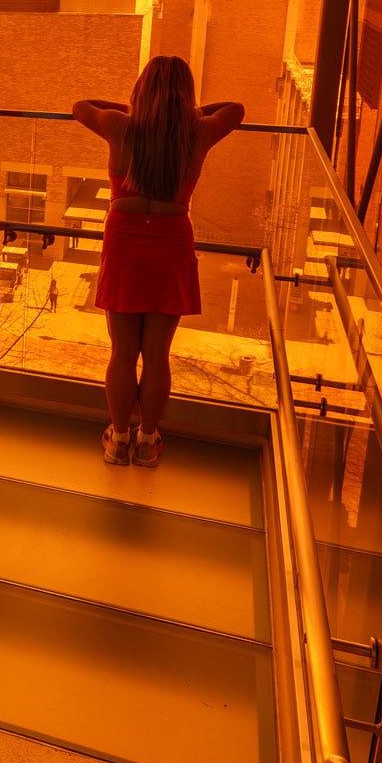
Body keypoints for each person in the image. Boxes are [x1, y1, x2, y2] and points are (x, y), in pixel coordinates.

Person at [72, 57, 244, 468]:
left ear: (141, 92)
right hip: (172, 239)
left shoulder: (121, 127)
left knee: (122, 352)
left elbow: (80, 106)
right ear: (186, 96)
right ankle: (147, 441)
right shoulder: (197, 133)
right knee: (157, 354)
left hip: (124, 238)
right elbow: (235, 110)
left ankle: (117, 440)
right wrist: (182, 114)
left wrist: (139, 110)